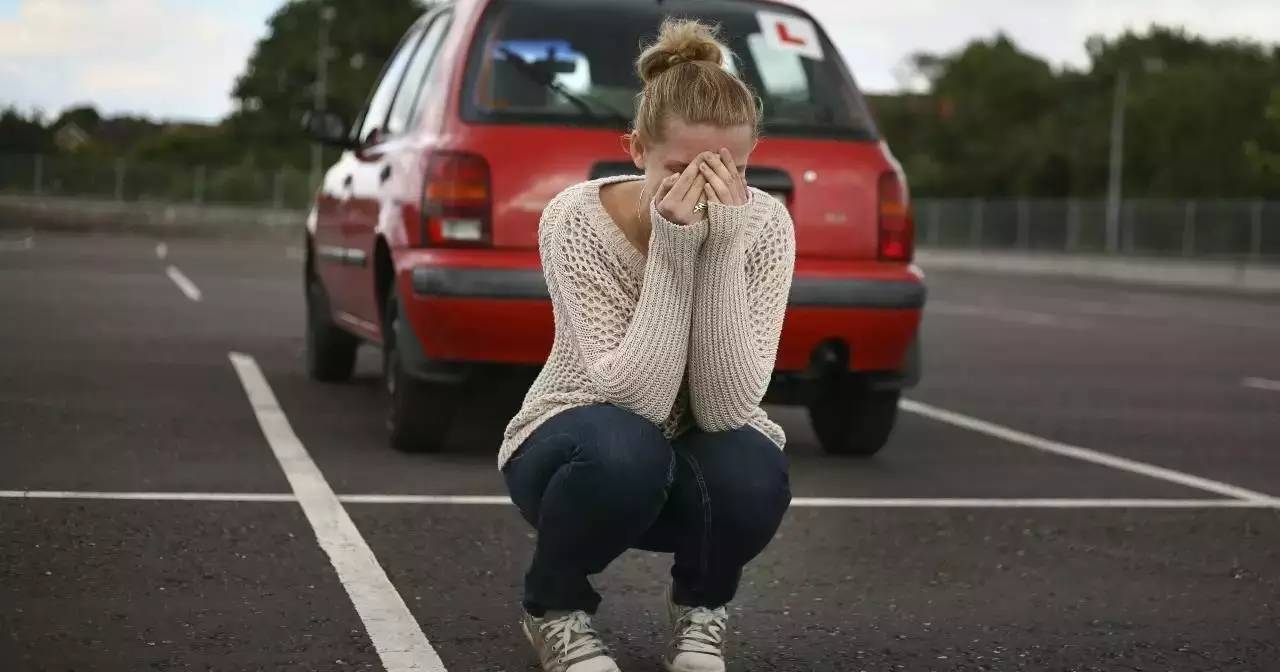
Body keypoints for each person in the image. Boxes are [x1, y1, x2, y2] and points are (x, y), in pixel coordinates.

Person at [498, 17, 796, 672]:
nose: (708, 189)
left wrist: (718, 248)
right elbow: (635, 398)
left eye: (730, 170)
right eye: (683, 168)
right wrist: (673, 248)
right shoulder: (576, 218)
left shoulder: (765, 225)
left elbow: (723, 410)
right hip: (573, 448)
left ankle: (702, 608)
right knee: (623, 448)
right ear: (634, 148)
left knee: (754, 467)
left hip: (695, 454)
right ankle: (554, 610)